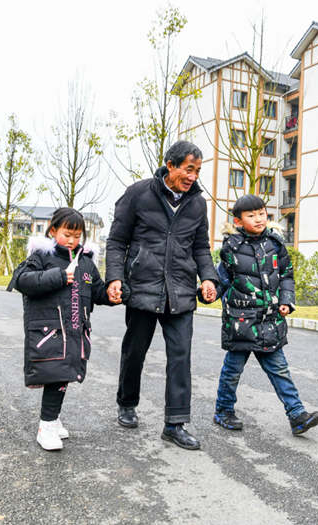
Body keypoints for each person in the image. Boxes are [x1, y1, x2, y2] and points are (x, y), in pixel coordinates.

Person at [106, 140, 218, 451]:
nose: (193, 176)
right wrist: (115, 277)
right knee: (135, 351)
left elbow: (200, 248)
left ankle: (175, 423)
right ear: (170, 165)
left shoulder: (197, 204)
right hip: (143, 286)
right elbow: (116, 241)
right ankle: (127, 403)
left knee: (180, 357)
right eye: (188, 169)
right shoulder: (138, 194)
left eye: (197, 170)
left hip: (180, 290)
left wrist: (208, 278)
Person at [203, 194, 318, 435]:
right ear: (238, 221)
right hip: (241, 323)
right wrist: (209, 293)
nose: (259, 219)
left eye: (262, 213)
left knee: (280, 370)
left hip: (269, 321)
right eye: (251, 215)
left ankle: (297, 415)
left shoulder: (276, 243)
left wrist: (287, 301)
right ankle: (224, 410)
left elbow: (287, 276)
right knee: (232, 371)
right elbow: (223, 280)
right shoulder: (232, 248)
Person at [8, 207, 118, 451]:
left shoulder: (86, 262)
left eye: (77, 236)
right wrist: (58, 276)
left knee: (65, 374)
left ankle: (53, 419)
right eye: (67, 234)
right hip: (49, 331)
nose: (72, 240)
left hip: (76, 330)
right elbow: (22, 280)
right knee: (56, 375)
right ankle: (45, 426)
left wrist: (112, 294)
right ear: (53, 229)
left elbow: (97, 290)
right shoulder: (41, 256)